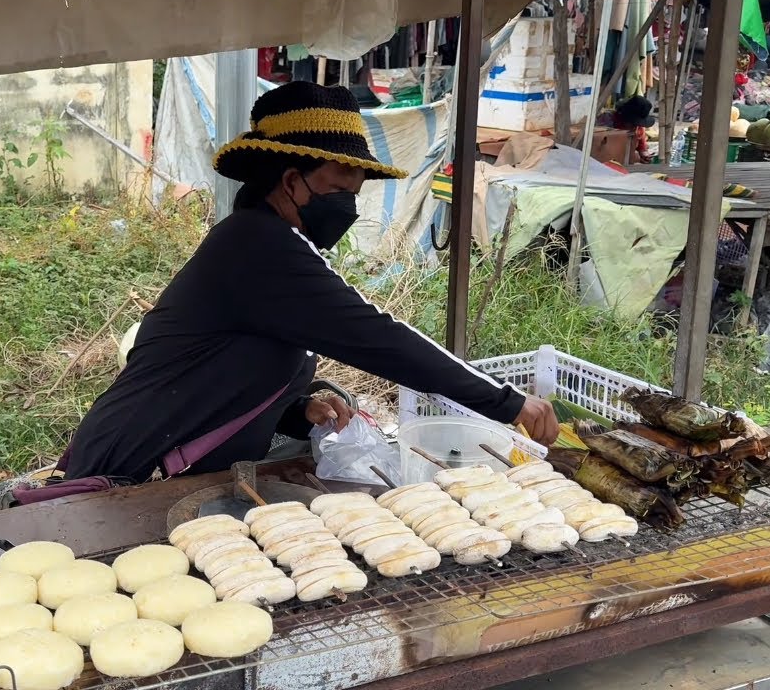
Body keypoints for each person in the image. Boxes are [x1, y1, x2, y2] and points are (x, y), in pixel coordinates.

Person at [62, 81, 558, 484]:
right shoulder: (258, 246)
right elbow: (377, 337)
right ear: (292, 181)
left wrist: (299, 410)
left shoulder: (269, 242)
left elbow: (231, 369)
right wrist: (508, 401)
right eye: (339, 188)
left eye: (355, 193)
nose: (348, 205)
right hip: (126, 473)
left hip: (166, 467)